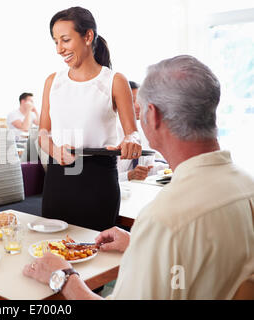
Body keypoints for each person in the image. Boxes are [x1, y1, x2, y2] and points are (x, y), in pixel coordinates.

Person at [23, 55, 254, 299]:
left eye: (139, 109)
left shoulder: (163, 220)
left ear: (153, 115)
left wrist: (64, 277)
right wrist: (140, 243)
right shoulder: (247, 187)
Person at [38, 7, 141, 231]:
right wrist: (54, 151)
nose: (59, 49)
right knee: (53, 250)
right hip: (59, 178)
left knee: (97, 252)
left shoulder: (114, 80)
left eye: (65, 40)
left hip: (99, 179)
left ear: (88, 36)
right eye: (55, 42)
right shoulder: (52, 81)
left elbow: (132, 131)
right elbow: (43, 133)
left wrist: (132, 139)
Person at [116, 81, 169, 182]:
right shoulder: (111, 134)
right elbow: (102, 179)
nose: (137, 106)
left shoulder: (142, 131)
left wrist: (171, 166)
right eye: (131, 101)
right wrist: (128, 175)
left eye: (140, 101)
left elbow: (147, 167)